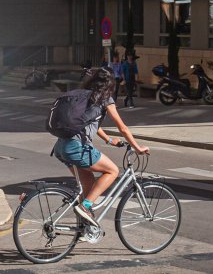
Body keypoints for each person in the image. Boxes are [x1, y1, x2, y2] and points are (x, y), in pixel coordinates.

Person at [53, 67, 149, 226]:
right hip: (77, 147)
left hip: (61, 146)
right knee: (113, 171)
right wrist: (138, 148)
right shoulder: (105, 98)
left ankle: (83, 229)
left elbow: (93, 124)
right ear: (110, 83)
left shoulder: (85, 96)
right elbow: (123, 127)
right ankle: (85, 207)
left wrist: (109, 141)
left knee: (88, 184)